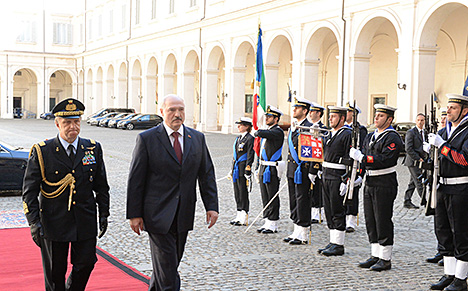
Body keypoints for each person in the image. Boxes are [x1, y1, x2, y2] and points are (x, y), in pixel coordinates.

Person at [126, 94, 218, 291]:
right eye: (172, 110)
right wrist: (134, 214)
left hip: (183, 213)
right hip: (156, 215)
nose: (177, 114)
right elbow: (136, 180)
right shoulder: (147, 139)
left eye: (181, 110)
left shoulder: (197, 138)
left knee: (169, 264)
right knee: (167, 270)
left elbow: (206, 174)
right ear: (162, 112)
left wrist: (211, 206)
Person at [22, 98, 110, 291]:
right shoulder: (42, 151)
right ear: (57, 124)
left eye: (76, 121)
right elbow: (29, 192)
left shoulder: (92, 148)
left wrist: (104, 214)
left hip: (84, 219)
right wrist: (33, 222)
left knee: (86, 263)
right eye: (67, 122)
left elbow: (101, 186)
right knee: (55, 273)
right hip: (54, 221)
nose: (73, 127)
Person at [350, 104, 403, 271]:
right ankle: (375, 254)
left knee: (382, 219)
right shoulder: (371, 136)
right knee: (370, 220)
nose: (376, 118)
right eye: (376, 115)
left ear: (389, 119)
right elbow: (364, 157)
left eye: (380, 116)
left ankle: (385, 258)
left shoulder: (392, 137)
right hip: (370, 181)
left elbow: (385, 159)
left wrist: (363, 158)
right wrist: (359, 175)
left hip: (384, 181)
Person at [428, 94, 468, 291]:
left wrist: (442, 146)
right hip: (442, 187)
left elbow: (464, 160)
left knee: (460, 232)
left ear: (464, 110)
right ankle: (450, 274)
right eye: (448, 107)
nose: (448, 111)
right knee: (442, 232)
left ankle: (461, 279)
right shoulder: (444, 130)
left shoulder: (467, 131)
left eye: (453, 107)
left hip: (460, 188)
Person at [316, 106, 352, 256]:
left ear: (342, 119)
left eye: (334, 116)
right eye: (330, 116)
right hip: (327, 174)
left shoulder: (347, 134)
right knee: (329, 209)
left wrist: (347, 180)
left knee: (337, 209)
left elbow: (350, 159)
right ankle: (333, 241)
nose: (330, 119)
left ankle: (339, 244)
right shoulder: (331, 133)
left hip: (337, 175)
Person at [283, 97, 313, 245]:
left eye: (297, 108)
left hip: (302, 170)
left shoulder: (309, 127)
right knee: (293, 199)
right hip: (292, 169)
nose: (293, 110)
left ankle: (303, 233)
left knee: (302, 200)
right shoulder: (294, 127)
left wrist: (313, 170)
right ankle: (296, 230)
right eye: (294, 107)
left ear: (305, 111)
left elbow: (314, 152)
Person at [255, 105, 284, 234]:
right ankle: (267, 221)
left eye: (269, 117)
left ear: (276, 119)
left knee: (272, 195)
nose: (266, 118)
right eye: (266, 116)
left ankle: (273, 222)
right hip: (263, 166)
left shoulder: (277, 131)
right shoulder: (269, 131)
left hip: (272, 168)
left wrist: (258, 129)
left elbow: (261, 133)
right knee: (265, 195)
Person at [344, 102, 367, 233]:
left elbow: (363, 150)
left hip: (354, 164)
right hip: (343, 164)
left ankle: (351, 220)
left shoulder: (360, 130)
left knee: (353, 193)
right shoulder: (342, 128)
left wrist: (361, 173)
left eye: (347, 112)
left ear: (354, 114)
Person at [230, 117, 255, 226]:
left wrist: (248, 169)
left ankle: (244, 214)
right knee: (237, 192)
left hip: (243, 167)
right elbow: (235, 155)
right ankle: (238, 213)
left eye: (241, 125)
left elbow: (250, 155)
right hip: (236, 168)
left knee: (243, 192)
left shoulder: (250, 139)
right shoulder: (238, 138)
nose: (238, 127)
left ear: (247, 126)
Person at [403, 113, 427, 209]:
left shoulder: (425, 132)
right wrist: (418, 158)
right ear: (415, 121)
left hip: (421, 160)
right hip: (413, 161)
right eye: (418, 120)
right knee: (419, 181)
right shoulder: (411, 132)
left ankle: (407, 201)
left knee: (412, 182)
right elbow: (408, 148)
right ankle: (426, 202)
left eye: (422, 120)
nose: (420, 122)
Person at [308, 102, 327, 224]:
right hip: (307, 164)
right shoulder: (307, 127)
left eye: (312, 112)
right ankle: (311, 211)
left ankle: (317, 213)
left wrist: (316, 167)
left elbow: (321, 149)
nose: (310, 113)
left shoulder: (323, 129)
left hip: (317, 165)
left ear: (319, 114)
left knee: (317, 190)